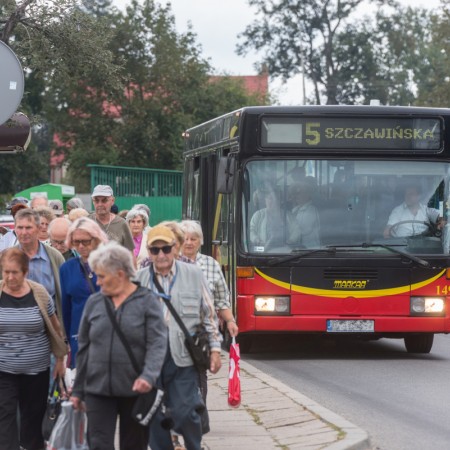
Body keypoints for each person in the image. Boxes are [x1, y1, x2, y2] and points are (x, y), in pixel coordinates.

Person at [70, 242, 167, 450]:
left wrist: (148, 376)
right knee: (98, 444)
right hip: (97, 389)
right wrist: (78, 390)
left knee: (134, 445)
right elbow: (84, 349)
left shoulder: (147, 301)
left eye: (102, 276)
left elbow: (157, 343)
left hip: (135, 389)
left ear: (120, 274)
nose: (97, 281)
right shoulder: (94, 303)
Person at [135, 225, 222, 450]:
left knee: (187, 409)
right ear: (149, 251)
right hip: (150, 358)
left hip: (183, 355)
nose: (161, 255)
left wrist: (214, 350)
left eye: (165, 248)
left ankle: (194, 445)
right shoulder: (140, 279)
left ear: (175, 248)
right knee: (154, 413)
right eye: (155, 250)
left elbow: (208, 314)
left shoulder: (193, 274)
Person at [0, 248, 67, 450]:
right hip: (4, 369)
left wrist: (60, 360)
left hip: (37, 369)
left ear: (26, 272)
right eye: (6, 272)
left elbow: (55, 328)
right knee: (5, 415)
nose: (10, 277)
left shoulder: (39, 293)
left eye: (15, 272)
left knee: (33, 418)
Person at [60, 218, 109, 368]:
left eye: (85, 241)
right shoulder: (67, 268)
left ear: (97, 239)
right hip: (79, 333)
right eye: (76, 242)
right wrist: (69, 339)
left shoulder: (110, 263)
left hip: (108, 331)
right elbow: (66, 308)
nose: (80, 246)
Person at [9, 208, 66, 322]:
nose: (24, 232)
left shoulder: (55, 257)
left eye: (28, 227)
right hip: (16, 325)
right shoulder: (7, 257)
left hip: (50, 325)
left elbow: (65, 293)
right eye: (20, 227)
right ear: (15, 229)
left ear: (39, 229)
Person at [89, 185, 134, 251]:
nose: (100, 204)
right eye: (96, 200)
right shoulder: (86, 222)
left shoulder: (122, 224)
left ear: (112, 201)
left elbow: (130, 254)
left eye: (104, 200)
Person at [250, 185, 295, 250]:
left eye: (275, 198)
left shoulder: (288, 215)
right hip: (264, 251)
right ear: (265, 200)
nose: (272, 201)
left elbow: (296, 230)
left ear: (280, 201)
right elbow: (251, 231)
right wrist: (257, 241)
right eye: (269, 198)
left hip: (285, 250)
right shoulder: (258, 215)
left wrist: (290, 241)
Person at [289, 181, 320, 248]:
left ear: (308, 194)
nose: (296, 196)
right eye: (295, 193)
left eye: (299, 193)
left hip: (310, 252)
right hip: (297, 251)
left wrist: (289, 241)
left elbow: (300, 230)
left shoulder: (311, 210)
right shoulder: (295, 210)